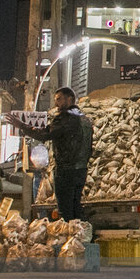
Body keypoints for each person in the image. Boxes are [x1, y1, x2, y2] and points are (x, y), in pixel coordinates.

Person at [7, 88, 92, 221]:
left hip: (66, 172)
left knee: (66, 210)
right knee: (76, 206)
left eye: (59, 99)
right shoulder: (84, 120)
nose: (56, 103)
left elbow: (45, 134)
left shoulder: (65, 119)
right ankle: (79, 234)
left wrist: (22, 126)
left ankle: (70, 236)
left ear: (69, 99)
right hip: (81, 171)